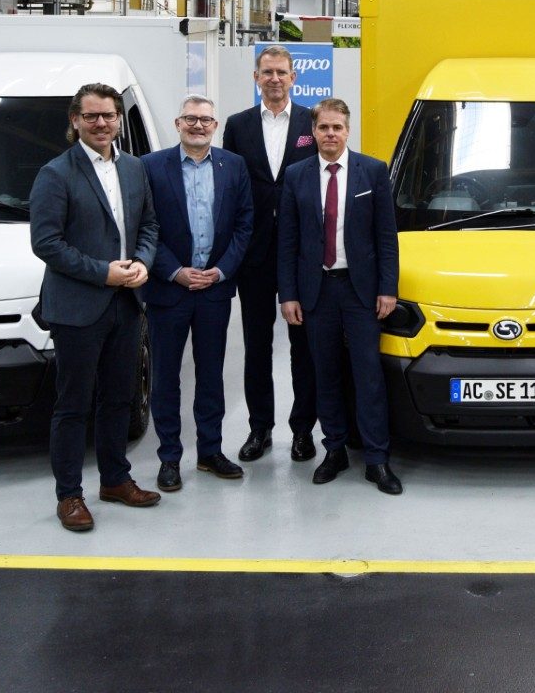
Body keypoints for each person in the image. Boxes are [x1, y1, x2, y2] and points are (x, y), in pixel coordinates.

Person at [29, 82, 162, 532]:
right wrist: (103, 273)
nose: (101, 123)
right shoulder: (55, 174)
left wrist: (142, 262)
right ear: (75, 121)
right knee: (73, 404)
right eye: (91, 116)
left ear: (119, 119)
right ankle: (69, 494)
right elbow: (47, 243)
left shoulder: (134, 168)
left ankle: (115, 479)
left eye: (108, 115)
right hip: (78, 307)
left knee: (119, 398)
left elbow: (149, 225)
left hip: (127, 303)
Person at [277, 98, 404, 495]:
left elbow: (387, 237)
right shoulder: (296, 175)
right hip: (316, 291)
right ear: (313, 132)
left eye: (337, 127)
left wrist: (388, 288)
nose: (330, 134)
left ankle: (377, 458)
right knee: (325, 372)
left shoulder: (373, 171)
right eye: (323, 127)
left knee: (369, 375)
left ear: (348, 131)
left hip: (361, 290)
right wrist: (288, 294)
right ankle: (334, 450)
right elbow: (287, 241)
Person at [141, 96, 254, 493]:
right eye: (190, 118)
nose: (198, 125)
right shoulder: (151, 167)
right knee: (165, 378)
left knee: (210, 375)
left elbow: (244, 225)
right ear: (177, 123)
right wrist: (175, 272)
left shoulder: (233, 166)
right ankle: (169, 458)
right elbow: (145, 228)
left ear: (215, 126)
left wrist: (220, 271)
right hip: (167, 290)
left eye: (206, 120)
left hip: (213, 291)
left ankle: (210, 451)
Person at [221, 45, 320, 465]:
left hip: (301, 255)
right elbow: (229, 187)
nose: (274, 79)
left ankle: (303, 431)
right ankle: (259, 428)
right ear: (256, 78)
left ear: (294, 78)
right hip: (255, 254)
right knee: (257, 347)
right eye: (267, 72)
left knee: (304, 347)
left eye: (281, 72)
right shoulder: (237, 125)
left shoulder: (312, 122)